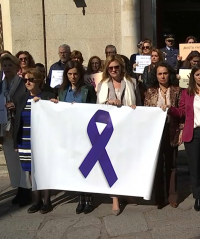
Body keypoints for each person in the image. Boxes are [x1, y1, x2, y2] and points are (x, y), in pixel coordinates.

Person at [164, 63, 200, 212]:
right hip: (193, 134)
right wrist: (171, 109)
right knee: (195, 168)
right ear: (193, 77)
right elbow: (182, 112)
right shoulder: (187, 93)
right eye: (197, 75)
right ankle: (197, 197)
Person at [97, 55, 141, 215]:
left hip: (127, 128)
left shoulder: (132, 82)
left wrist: (134, 107)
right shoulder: (102, 85)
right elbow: (97, 107)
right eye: (111, 68)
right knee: (112, 164)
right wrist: (109, 103)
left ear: (121, 67)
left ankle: (127, 192)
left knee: (126, 161)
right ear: (107, 69)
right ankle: (115, 197)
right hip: (109, 129)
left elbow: (140, 104)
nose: (114, 70)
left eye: (116, 67)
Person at [51, 60, 97, 213]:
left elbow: (93, 110)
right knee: (76, 166)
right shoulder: (63, 90)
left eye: (75, 73)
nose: (73, 77)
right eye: (70, 74)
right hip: (70, 134)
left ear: (80, 74)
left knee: (87, 166)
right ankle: (80, 198)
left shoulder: (88, 89)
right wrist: (54, 104)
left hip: (85, 132)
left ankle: (88, 198)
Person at [15, 68, 55, 214]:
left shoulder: (48, 96)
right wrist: (16, 143)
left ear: (38, 80)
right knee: (31, 172)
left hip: (42, 141)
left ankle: (47, 201)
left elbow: (54, 116)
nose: (28, 82)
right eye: (25, 80)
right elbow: (17, 122)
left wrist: (51, 103)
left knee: (43, 170)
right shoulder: (21, 98)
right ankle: (36, 201)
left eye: (31, 79)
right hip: (25, 140)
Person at [0, 54, 32, 207]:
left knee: (21, 160)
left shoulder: (23, 84)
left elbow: (26, 103)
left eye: (10, 65)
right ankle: (18, 189)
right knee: (11, 161)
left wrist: (15, 106)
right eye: (5, 65)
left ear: (16, 67)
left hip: (19, 127)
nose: (7, 68)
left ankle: (26, 191)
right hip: (5, 129)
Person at [144, 62, 182, 209]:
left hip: (172, 130)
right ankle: (159, 197)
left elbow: (181, 113)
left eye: (165, 73)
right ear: (156, 75)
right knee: (158, 165)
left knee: (172, 165)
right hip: (156, 133)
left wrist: (181, 131)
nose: (162, 76)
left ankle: (172, 196)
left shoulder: (177, 90)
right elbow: (147, 113)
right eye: (159, 74)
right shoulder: (150, 91)